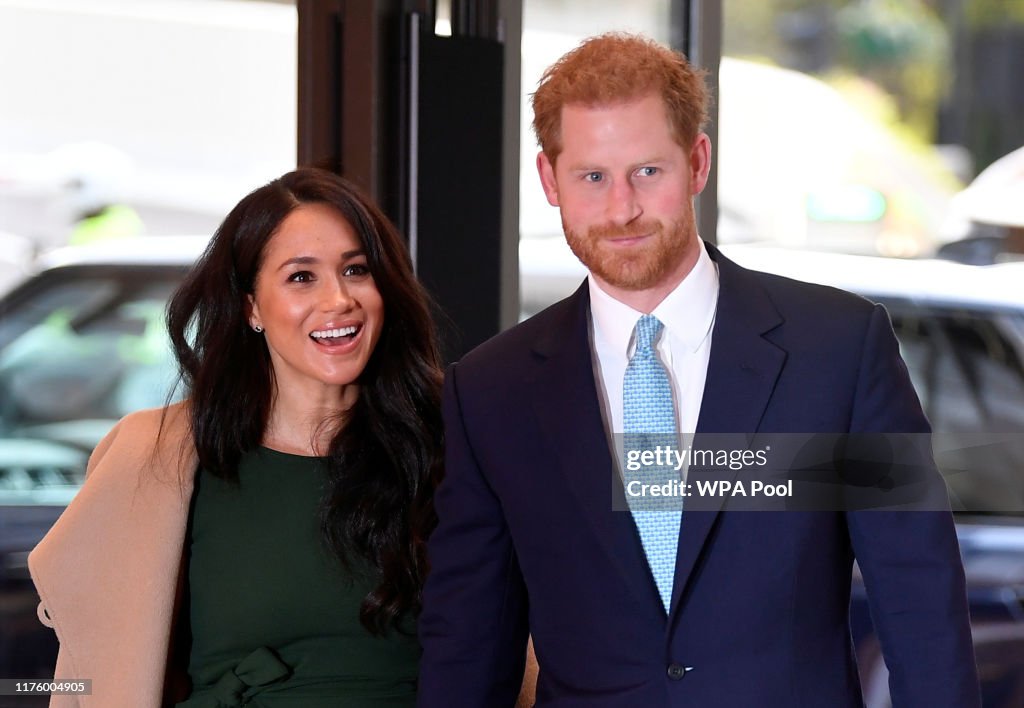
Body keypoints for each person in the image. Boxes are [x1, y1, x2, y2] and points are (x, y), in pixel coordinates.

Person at [417, 33, 980, 707]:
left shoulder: (838, 351)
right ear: (549, 180)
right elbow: (469, 644)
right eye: (592, 177)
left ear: (697, 161)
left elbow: (919, 600)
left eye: (647, 172)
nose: (621, 207)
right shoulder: (490, 392)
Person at [29, 167, 444, 707]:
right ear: (250, 306)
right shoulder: (160, 457)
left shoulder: (450, 443)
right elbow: (85, 673)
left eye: (356, 270)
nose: (339, 299)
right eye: (301, 277)